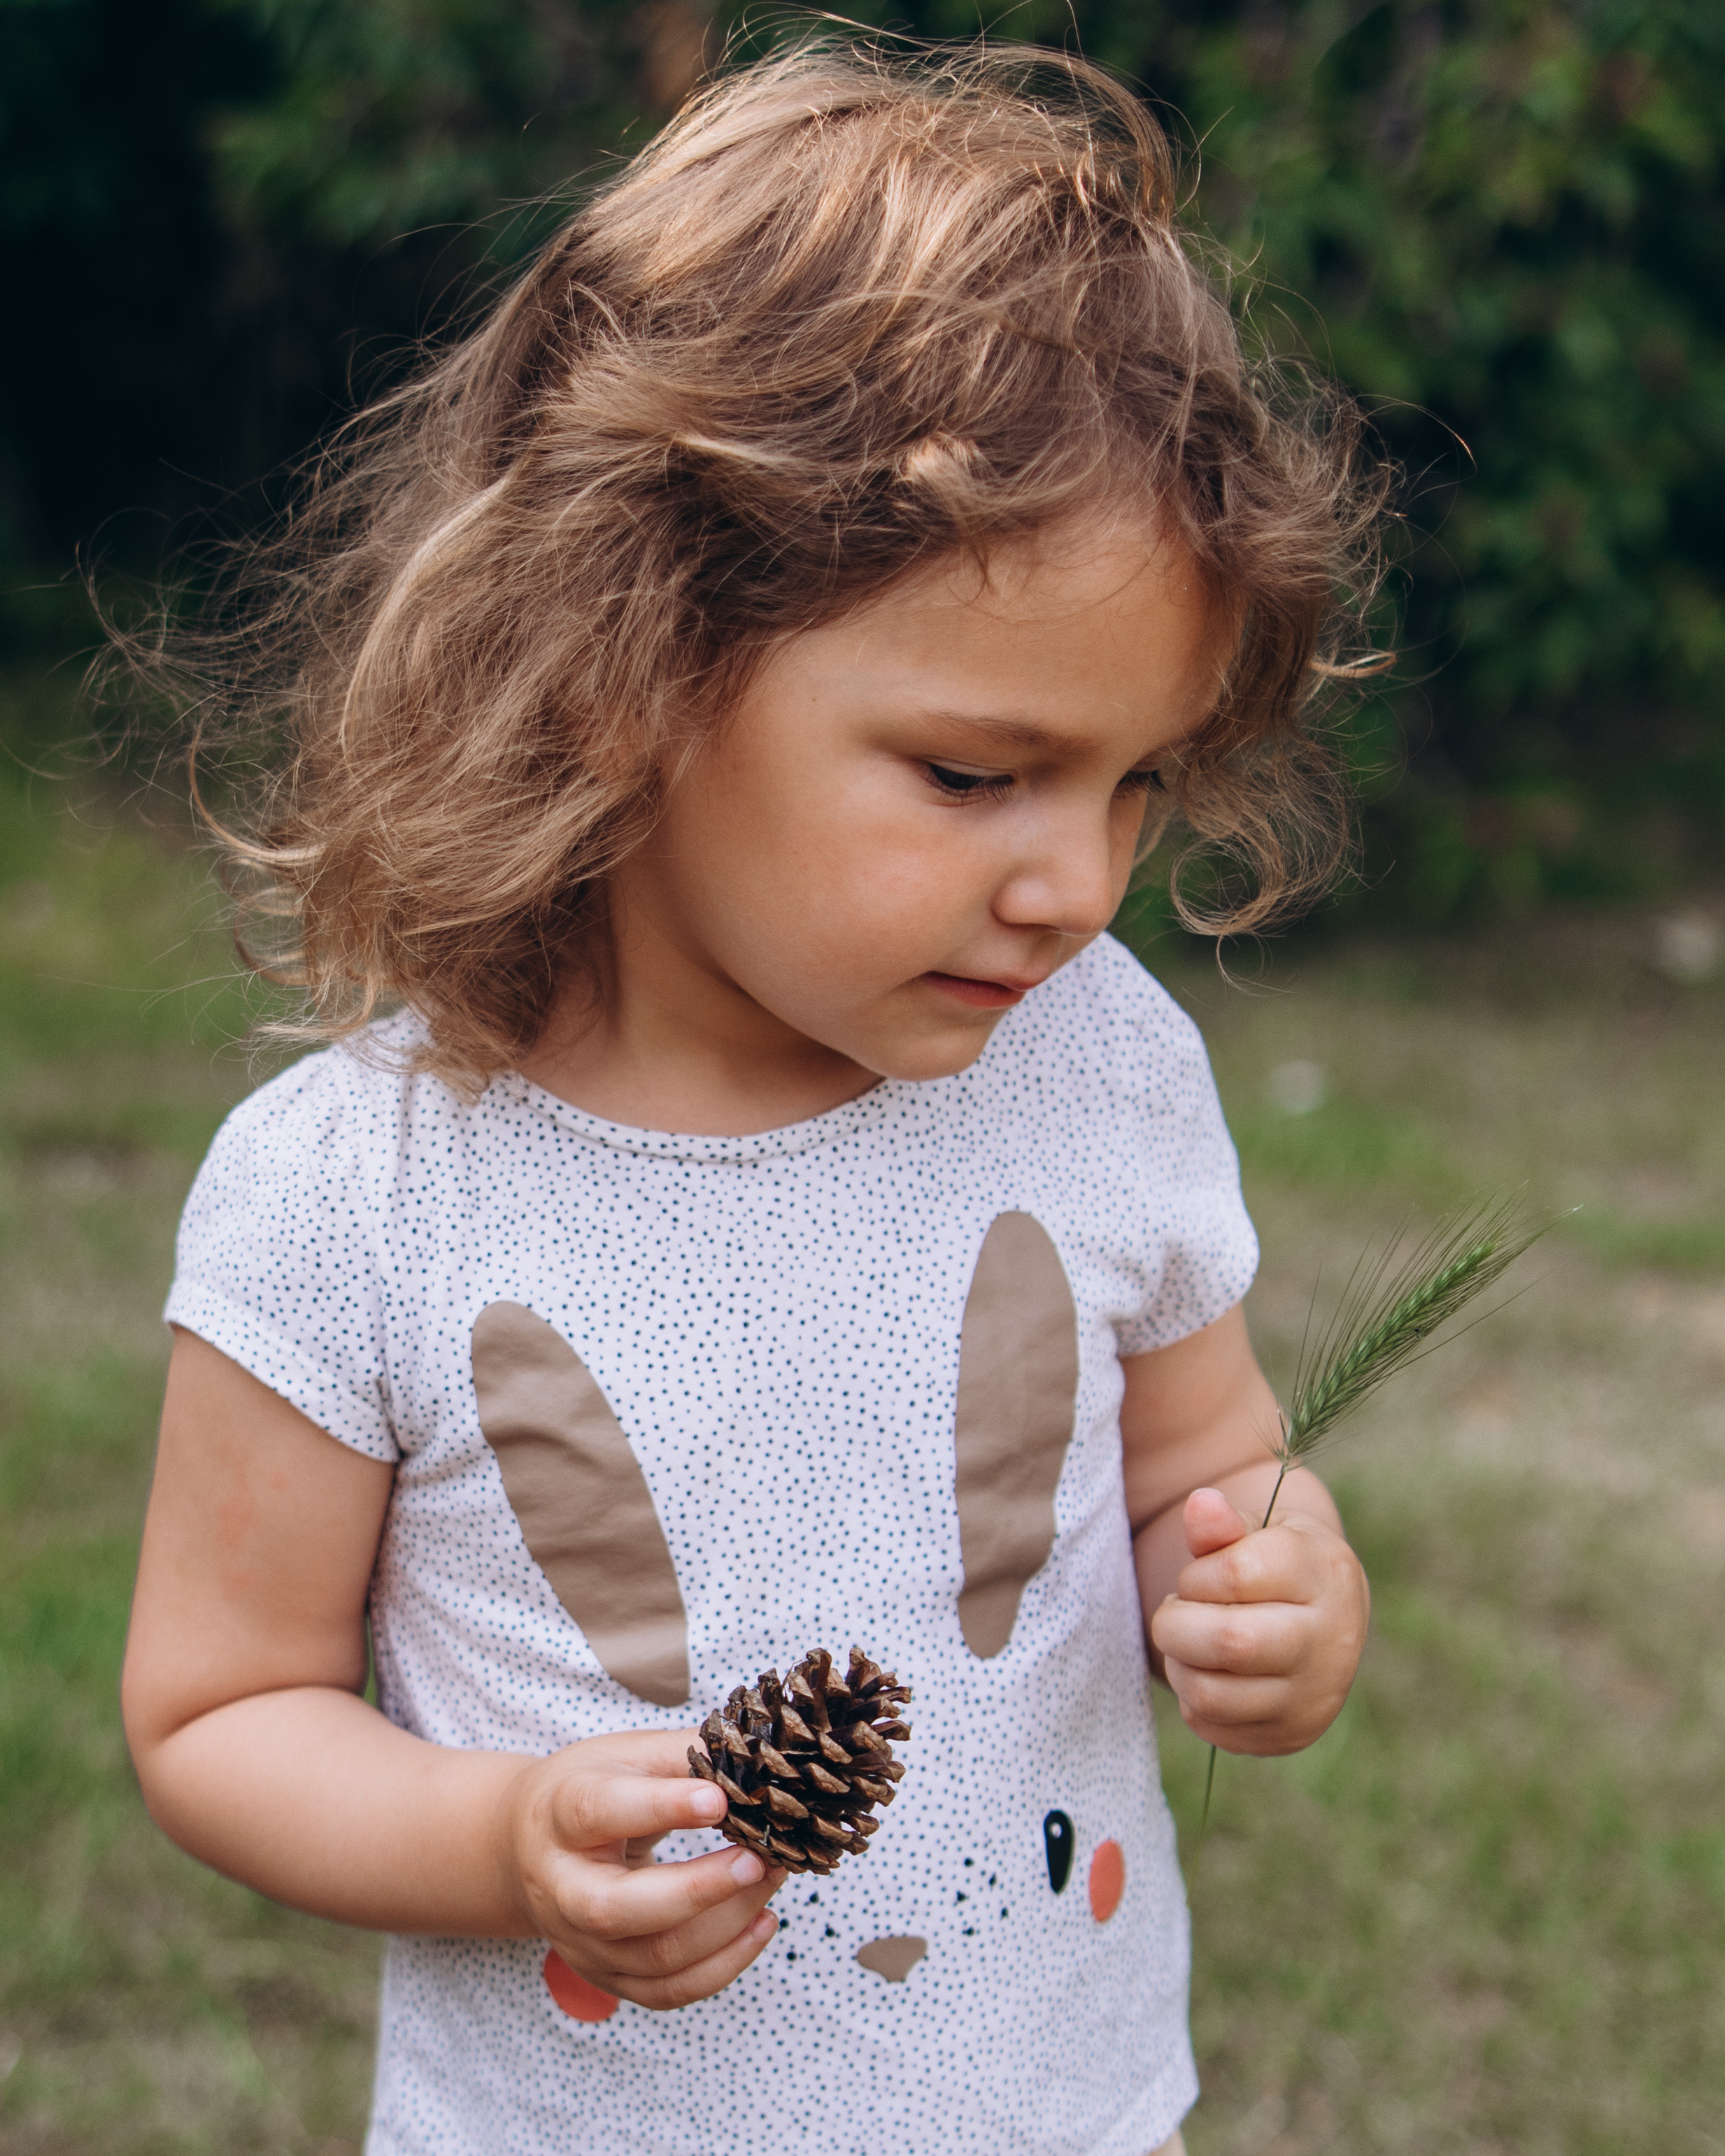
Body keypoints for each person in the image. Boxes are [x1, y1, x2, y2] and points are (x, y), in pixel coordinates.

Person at [121, 38, 1382, 2156]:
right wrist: (503, 1838)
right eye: (974, 774)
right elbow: (218, 1710)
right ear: (626, 663)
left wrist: (1272, 1596)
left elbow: (1211, 1474)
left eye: (1134, 783)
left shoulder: (1097, 1061)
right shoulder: (363, 1187)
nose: (1077, 884)